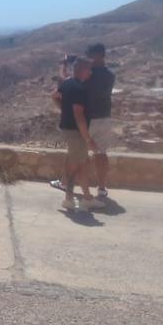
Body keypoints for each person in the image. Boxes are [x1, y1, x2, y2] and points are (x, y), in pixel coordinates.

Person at [51, 57, 104, 211]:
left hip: (69, 129)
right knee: (75, 167)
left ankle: (86, 198)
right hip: (76, 132)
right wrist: (88, 139)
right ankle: (69, 199)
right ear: (84, 70)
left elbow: (54, 96)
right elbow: (79, 115)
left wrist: (64, 109)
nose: (91, 73)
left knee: (81, 164)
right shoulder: (79, 89)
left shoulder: (68, 83)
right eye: (89, 70)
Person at [84, 43, 116, 196]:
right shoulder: (110, 75)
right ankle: (102, 188)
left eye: (89, 56)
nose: (87, 59)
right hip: (104, 117)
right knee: (101, 154)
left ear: (96, 55)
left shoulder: (88, 75)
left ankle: (67, 184)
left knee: (78, 153)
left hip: (88, 119)